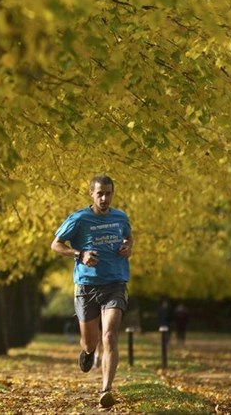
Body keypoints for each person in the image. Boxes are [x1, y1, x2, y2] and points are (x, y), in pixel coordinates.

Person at [51, 175, 133, 409]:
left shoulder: (120, 217)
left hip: (115, 283)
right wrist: (79, 254)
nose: (104, 198)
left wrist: (128, 247)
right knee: (91, 341)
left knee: (109, 336)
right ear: (91, 194)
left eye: (108, 193)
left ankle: (106, 389)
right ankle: (87, 352)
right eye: (100, 194)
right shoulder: (78, 219)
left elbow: (129, 236)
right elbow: (55, 245)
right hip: (86, 286)